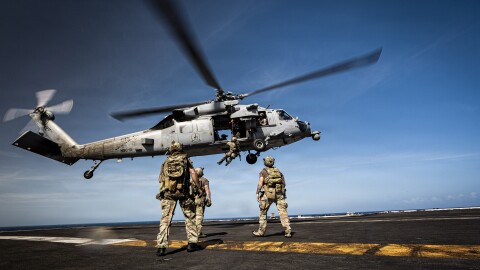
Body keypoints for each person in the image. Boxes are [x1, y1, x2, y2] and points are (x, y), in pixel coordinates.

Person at [155, 141, 202, 256]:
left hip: (168, 194)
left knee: (165, 219)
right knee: (190, 217)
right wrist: (198, 188)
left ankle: (161, 247)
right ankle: (192, 244)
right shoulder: (185, 159)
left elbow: (160, 178)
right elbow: (193, 173)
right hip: (183, 193)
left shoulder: (166, 162)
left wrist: (162, 192)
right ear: (181, 148)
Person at [252, 156, 292, 238]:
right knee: (283, 213)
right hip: (279, 194)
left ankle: (261, 232)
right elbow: (284, 184)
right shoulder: (279, 172)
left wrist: (257, 193)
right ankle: (288, 231)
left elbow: (260, 183)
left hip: (268, 194)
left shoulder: (263, 171)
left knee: (263, 213)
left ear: (265, 162)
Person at [193, 167, 212, 238]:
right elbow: (207, 190)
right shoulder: (205, 180)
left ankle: (194, 232)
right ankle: (198, 233)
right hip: (200, 201)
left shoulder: (191, 180)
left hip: (191, 201)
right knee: (199, 216)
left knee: (193, 217)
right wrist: (209, 199)